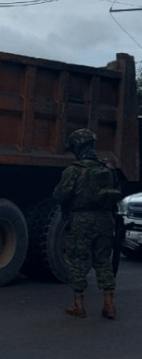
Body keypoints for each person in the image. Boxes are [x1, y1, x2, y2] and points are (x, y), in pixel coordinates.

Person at [53, 128, 122, 320]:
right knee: (103, 262)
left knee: (79, 262)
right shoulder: (108, 169)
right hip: (105, 220)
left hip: (82, 220)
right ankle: (109, 305)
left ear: (77, 147)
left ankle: (79, 306)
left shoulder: (73, 170)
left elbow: (60, 195)